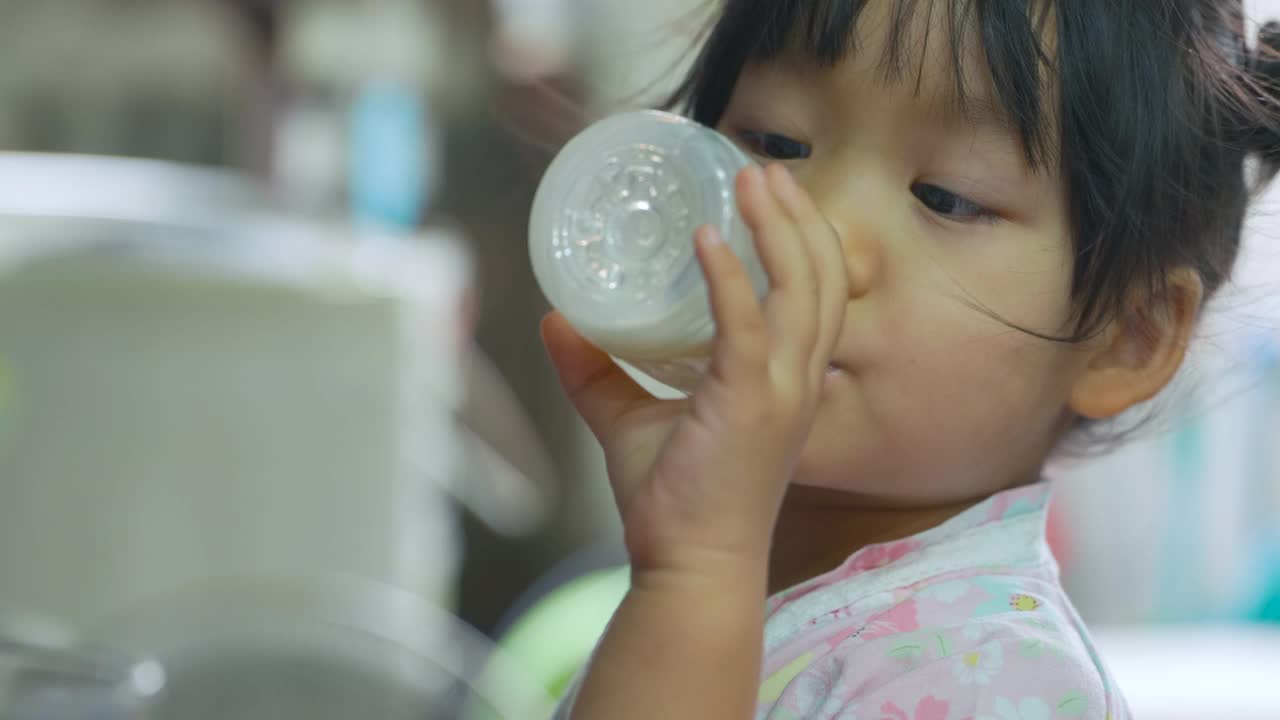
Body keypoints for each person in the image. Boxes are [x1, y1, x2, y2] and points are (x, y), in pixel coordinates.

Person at [539, 1, 1280, 717]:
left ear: (1128, 338)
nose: (820, 228)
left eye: (946, 198)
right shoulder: (736, 581)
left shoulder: (988, 680)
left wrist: (692, 569)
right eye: (775, 142)